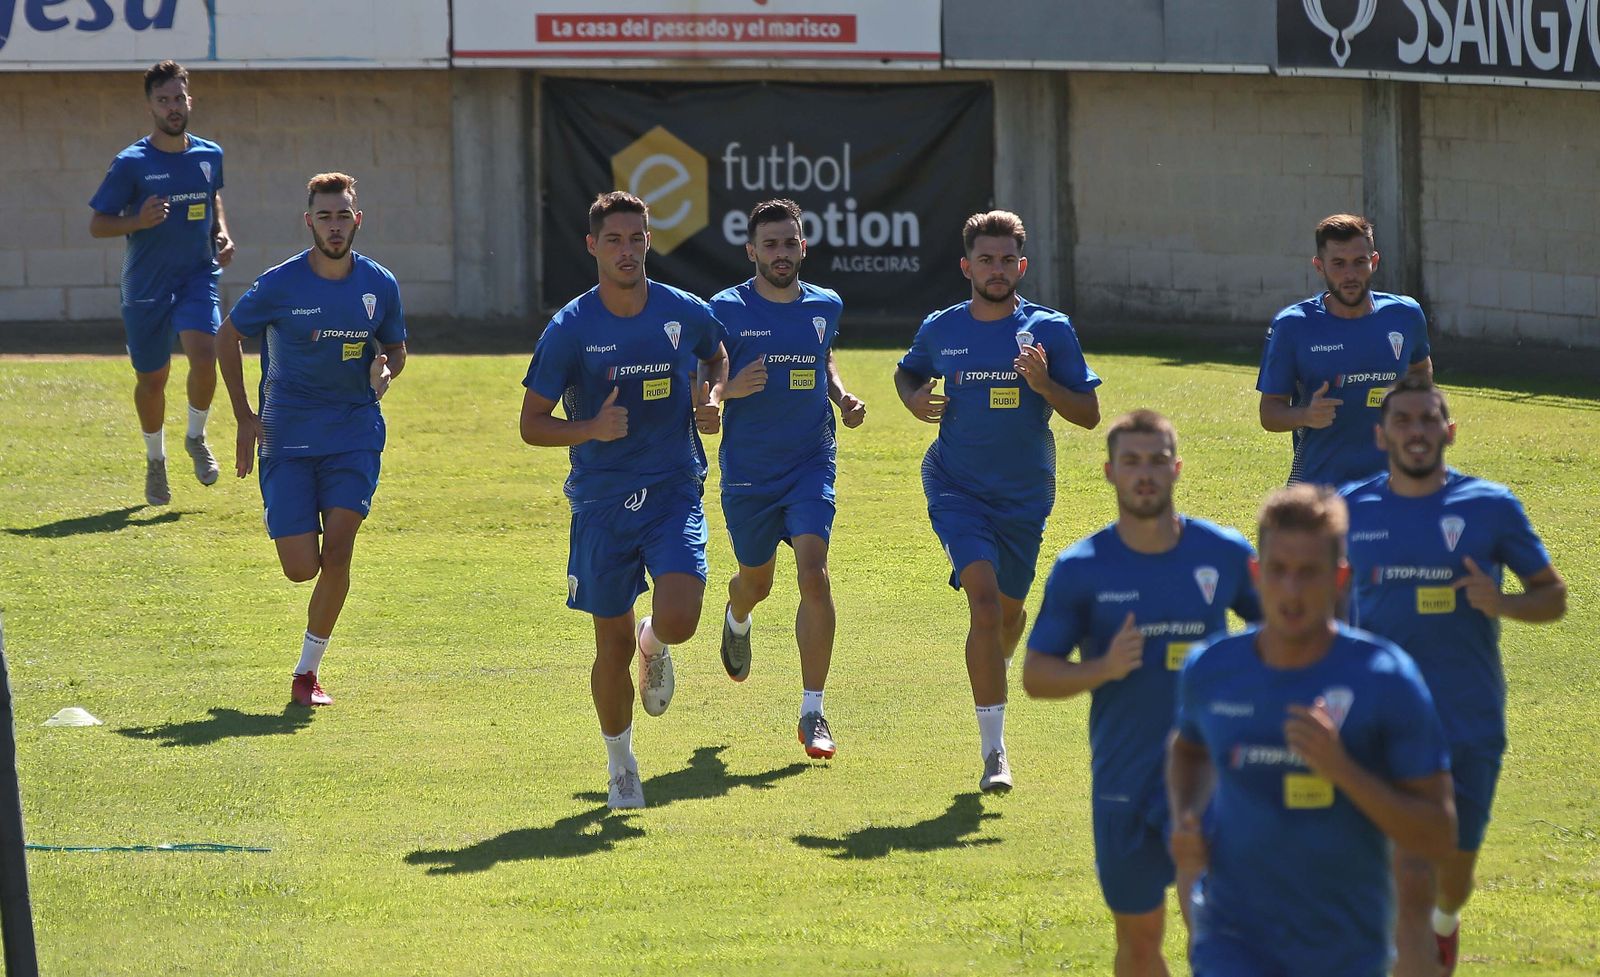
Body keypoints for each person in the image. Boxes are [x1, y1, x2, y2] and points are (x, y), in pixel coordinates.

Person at [1167, 485, 1456, 977]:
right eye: (1278, 571)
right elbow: (1189, 748)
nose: (1292, 591)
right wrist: (1187, 818)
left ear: (1340, 578)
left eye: (1309, 573)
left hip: (1344, 945)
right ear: (1256, 575)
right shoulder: (1211, 669)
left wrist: (1342, 769)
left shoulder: (1385, 678)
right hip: (1233, 939)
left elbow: (1437, 832)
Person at [1341, 375, 1566, 977]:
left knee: (1453, 875)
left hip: (1468, 717)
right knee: (1405, 873)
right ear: (1381, 433)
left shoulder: (1490, 507)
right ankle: (1407, 950)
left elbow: (1553, 597)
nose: (1416, 432)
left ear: (1449, 431)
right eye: (1404, 421)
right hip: (1381, 722)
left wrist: (1504, 603)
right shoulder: (1349, 510)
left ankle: (1445, 921)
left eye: (1427, 420)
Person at [1023, 410, 1259, 977]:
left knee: (1217, 932)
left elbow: (1282, 634)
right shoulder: (1082, 568)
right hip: (1123, 779)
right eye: (1131, 462)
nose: (1145, 474)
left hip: (1211, 776)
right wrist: (1102, 668)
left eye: (1156, 460)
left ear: (1177, 468)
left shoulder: (1222, 553)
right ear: (1109, 472)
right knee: (1138, 939)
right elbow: (1036, 676)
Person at [520, 191, 727, 810]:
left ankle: (656, 641)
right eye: (614, 240)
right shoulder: (571, 327)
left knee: (683, 614)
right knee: (607, 646)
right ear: (592, 247)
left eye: (637, 238)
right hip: (601, 503)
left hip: (671, 488)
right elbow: (532, 423)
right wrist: (588, 429)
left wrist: (712, 396)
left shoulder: (680, 311)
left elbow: (716, 354)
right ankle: (620, 767)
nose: (628, 250)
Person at [894, 210, 1101, 792]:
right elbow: (907, 374)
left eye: (1007, 259)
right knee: (983, 606)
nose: (997, 269)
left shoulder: (1050, 330)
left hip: (1024, 495)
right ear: (966, 266)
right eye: (985, 259)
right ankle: (995, 755)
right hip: (955, 484)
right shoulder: (943, 328)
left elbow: (1087, 415)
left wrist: (1044, 386)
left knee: (1007, 615)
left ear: (1022, 266)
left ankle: (996, 657)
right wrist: (914, 401)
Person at [215, 172, 407, 709]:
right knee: (302, 567)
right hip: (287, 436)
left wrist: (386, 372)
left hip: (354, 432)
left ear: (357, 219)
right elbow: (226, 336)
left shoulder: (379, 285)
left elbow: (394, 349)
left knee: (340, 552)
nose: (335, 226)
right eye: (325, 216)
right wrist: (244, 416)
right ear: (310, 223)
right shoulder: (281, 284)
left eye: (343, 215)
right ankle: (292, 526)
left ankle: (307, 673)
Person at [710, 199, 866, 760]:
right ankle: (737, 615)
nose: (781, 253)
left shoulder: (826, 304)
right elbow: (705, 379)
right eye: (769, 245)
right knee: (757, 581)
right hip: (750, 471)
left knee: (814, 574)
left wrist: (841, 395)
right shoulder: (724, 309)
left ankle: (813, 710)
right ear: (752, 251)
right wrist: (728, 391)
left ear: (804, 246)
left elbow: (820, 358)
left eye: (789, 242)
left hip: (810, 461)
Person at [89, 60, 235, 506]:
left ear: (190, 99)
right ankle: (156, 461)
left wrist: (221, 232)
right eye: (164, 100)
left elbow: (213, 199)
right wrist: (138, 219)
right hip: (146, 283)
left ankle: (196, 435)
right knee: (152, 379)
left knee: (207, 352)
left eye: (179, 98)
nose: (173, 107)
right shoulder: (132, 163)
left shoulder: (210, 154)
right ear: (151, 105)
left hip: (196, 275)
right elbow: (98, 225)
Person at [1257, 213, 1432, 487]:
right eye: (1338, 264)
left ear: (1373, 262)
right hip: (1320, 492)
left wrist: (1416, 407)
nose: (1350, 274)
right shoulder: (1293, 326)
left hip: (1393, 488)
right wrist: (1306, 415)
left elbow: (1420, 369)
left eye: (1359, 262)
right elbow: (1269, 413)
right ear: (1319, 267)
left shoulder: (1405, 315)